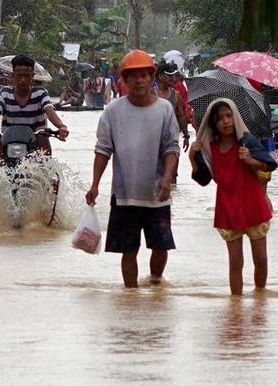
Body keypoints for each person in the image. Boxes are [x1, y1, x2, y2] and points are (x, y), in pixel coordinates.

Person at [85, 49, 180, 288]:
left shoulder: (164, 109)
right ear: (124, 80)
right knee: (129, 250)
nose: (139, 81)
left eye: (144, 75)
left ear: (152, 77)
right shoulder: (113, 111)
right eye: (133, 76)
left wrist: (168, 178)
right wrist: (95, 184)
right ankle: (131, 296)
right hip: (124, 194)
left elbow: (172, 148)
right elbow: (103, 150)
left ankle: (156, 285)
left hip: (157, 194)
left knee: (160, 246)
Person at [188, 98, 278, 295]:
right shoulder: (209, 149)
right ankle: (235, 305)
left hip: (253, 207)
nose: (226, 121)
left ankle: (260, 298)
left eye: (229, 116)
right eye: (220, 118)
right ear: (213, 124)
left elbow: (269, 165)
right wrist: (192, 159)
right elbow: (203, 179)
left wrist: (251, 160)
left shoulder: (247, 141)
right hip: (228, 210)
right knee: (235, 263)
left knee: (261, 259)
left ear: (235, 117)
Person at [0, 54, 69, 156]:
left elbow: (50, 112)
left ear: (32, 76)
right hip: (9, 138)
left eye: (26, 76)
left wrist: (62, 126)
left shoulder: (41, 93)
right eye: (20, 76)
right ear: (13, 75)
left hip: (37, 139)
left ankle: (47, 171)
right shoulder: (4, 93)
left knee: (45, 159)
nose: (23, 79)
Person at [155, 62, 190, 152]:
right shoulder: (150, 94)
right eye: (169, 76)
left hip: (171, 139)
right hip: (153, 140)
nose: (173, 78)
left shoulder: (176, 95)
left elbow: (181, 116)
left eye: (174, 76)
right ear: (160, 76)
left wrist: (186, 135)